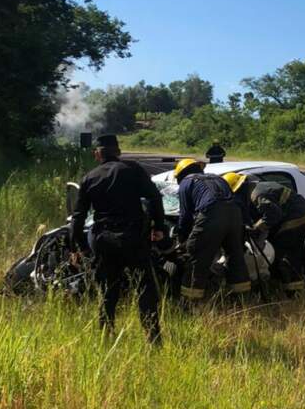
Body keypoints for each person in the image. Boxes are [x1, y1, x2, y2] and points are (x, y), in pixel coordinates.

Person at [69, 133, 165, 344]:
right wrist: (159, 226)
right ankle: (153, 339)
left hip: (104, 241)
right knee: (145, 290)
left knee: (107, 291)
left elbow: (78, 217)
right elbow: (154, 197)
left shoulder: (89, 178)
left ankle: (106, 337)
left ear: (97, 154)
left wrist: (78, 246)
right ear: (118, 152)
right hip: (133, 238)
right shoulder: (133, 169)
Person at [223, 172, 305, 294]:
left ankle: (294, 292)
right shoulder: (255, 189)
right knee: (286, 253)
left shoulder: (256, 195)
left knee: (287, 255)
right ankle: (287, 286)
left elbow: (273, 214)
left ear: (240, 189)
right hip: (295, 214)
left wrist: (256, 228)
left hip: (295, 218)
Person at [174, 158, 250, 300]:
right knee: (235, 257)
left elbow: (185, 215)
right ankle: (242, 299)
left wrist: (182, 238)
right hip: (235, 215)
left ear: (181, 175)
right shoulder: (218, 178)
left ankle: (191, 301)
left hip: (212, 214)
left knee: (197, 257)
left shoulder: (186, 182)